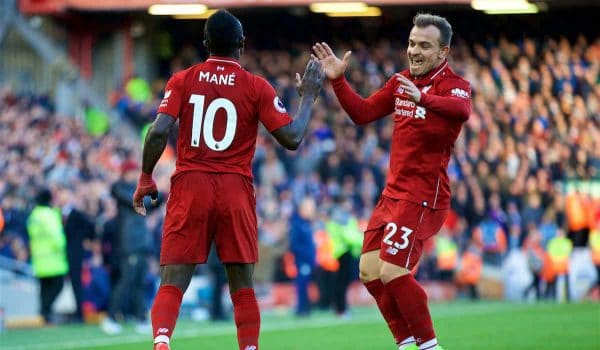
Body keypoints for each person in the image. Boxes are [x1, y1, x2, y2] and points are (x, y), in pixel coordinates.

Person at [132, 9, 323, 350]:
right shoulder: (256, 86)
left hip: (191, 184)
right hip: (235, 188)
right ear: (242, 44)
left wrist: (146, 176)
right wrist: (308, 95)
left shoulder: (183, 79)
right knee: (242, 286)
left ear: (205, 43)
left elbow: (158, 131)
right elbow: (292, 137)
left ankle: (161, 341)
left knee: (173, 280)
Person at [312, 13, 471, 350]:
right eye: (412, 43)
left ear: (443, 53)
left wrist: (422, 98)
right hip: (392, 195)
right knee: (370, 271)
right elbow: (363, 113)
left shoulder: (454, 86)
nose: (414, 50)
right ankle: (406, 342)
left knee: (393, 272)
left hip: (423, 197)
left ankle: (429, 346)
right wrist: (338, 81)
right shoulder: (401, 81)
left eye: (424, 45)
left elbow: (462, 111)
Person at [101, 161, 162, 335]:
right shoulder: (120, 188)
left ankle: (141, 318)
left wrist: (160, 194)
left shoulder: (137, 190)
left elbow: (151, 203)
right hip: (130, 243)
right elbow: (138, 202)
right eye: (134, 171)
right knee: (126, 281)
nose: (137, 174)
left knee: (139, 283)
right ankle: (111, 317)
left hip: (141, 242)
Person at [26, 188, 69, 324]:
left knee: (44, 288)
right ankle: (45, 311)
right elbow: (56, 236)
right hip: (53, 259)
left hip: (39, 259)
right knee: (58, 285)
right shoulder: (48, 215)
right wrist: (63, 246)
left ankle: (45, 315)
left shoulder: (34, 215)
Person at [288, 197, 317, 317]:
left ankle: (305, 307)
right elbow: (294, 244)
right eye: (310, 208)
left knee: (305, 283)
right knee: (302, 283)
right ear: (302, 209)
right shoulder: (297, 224)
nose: (312, 211)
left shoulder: (306, 223)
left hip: (308, 260)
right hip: (302, 261)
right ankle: (302, 309)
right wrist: (305, 255)